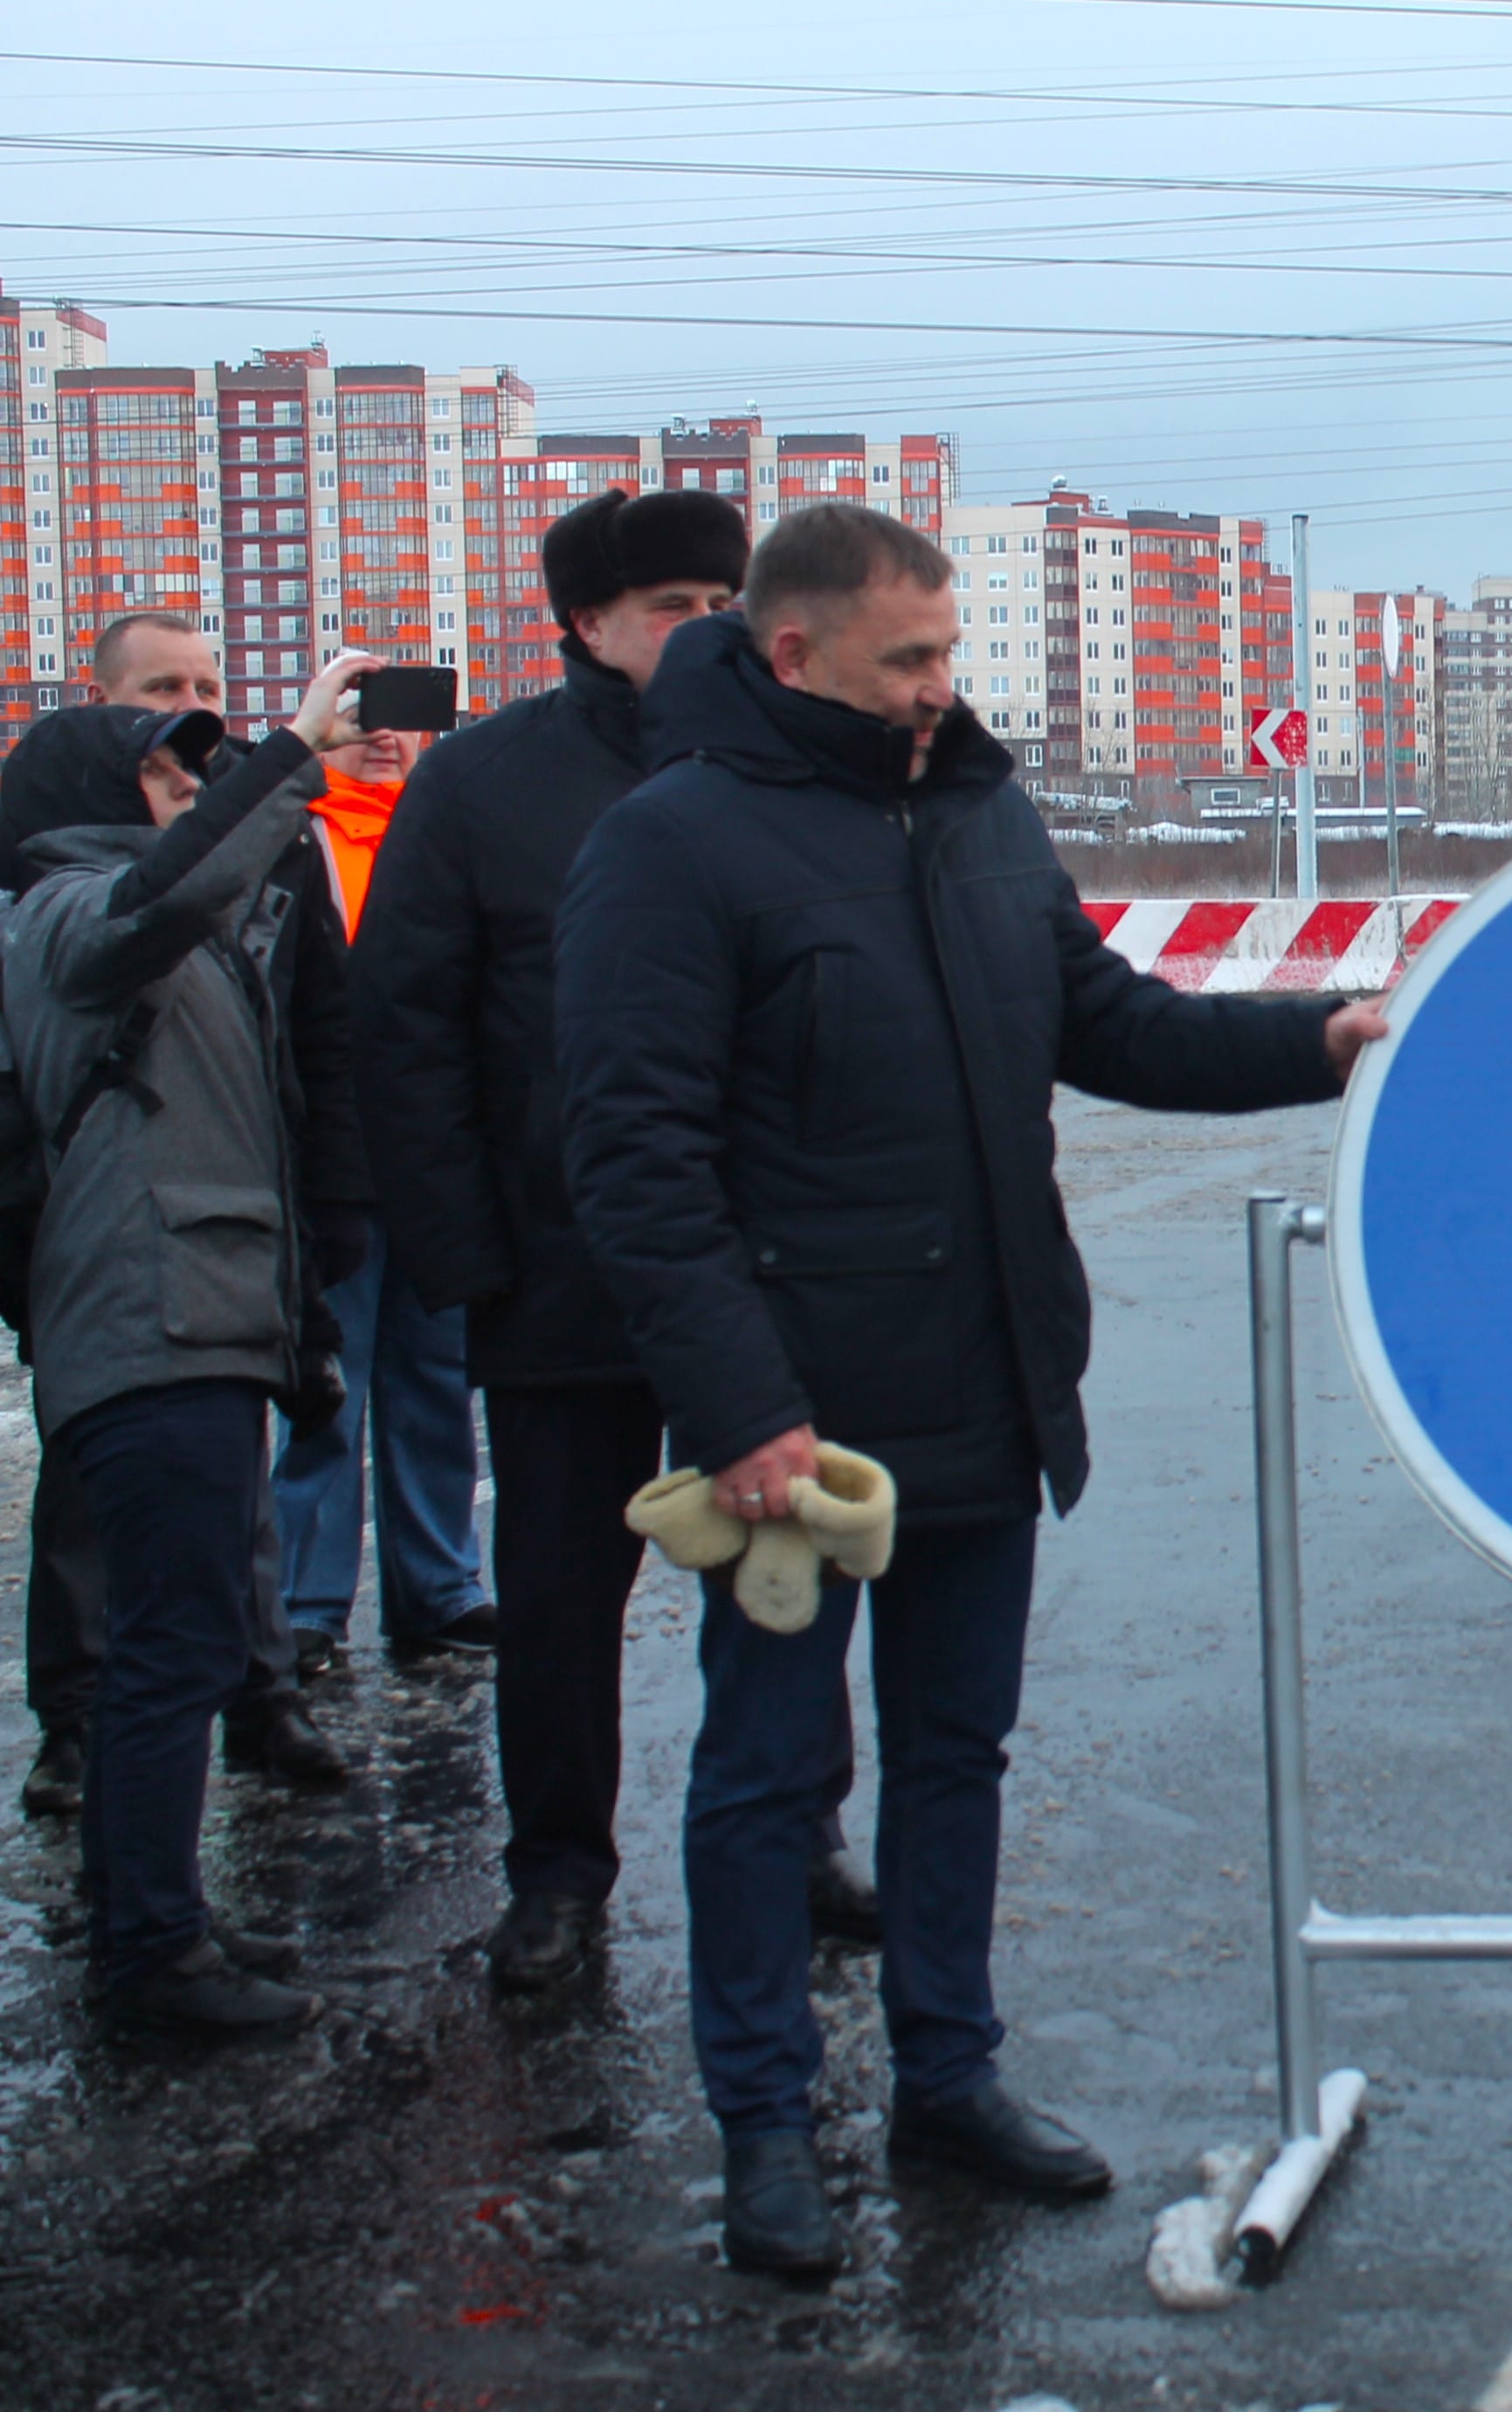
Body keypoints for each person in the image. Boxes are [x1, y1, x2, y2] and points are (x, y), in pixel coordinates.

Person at [553, 502, 1387, 2279]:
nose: (945, 685)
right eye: (911, 657)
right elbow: (635, 1159)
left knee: (955, 1755)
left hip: (990, 1384)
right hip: (800, 1428)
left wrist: (1319, 1039)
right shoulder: (670, 843)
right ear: (792, 653)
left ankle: (949, 2074)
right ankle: (766, 2121)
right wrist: (740, 1407)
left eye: (951, 651)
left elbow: (1114, 1021)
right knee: (765, 1776)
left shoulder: (980, 812)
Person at [352, 487, 881, 1998]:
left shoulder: (794, 759)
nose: (709, 629)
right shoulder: (482, 783)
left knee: (778, 1578)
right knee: (560, 1597)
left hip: (761, 1273)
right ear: (587, 625)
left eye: (725, 602)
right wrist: (466, 1257)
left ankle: (797, 1840)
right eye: (672, 608)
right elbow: (406, 1031)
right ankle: (557, 1878)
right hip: (559, 1269)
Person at [1, 655, 382, 2035]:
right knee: (170, 1647)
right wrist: (290, 758)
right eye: (164, 769)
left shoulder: (165, 920)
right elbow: (166, 897)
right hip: (147, 1321)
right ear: (88, 798)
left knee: (182, 1633)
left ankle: (149, 1912)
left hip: (191, 1317)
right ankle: (152, 1956)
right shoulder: (68, 910)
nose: (187, 790)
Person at [275, 713, 493, 1673]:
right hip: (335, 1164)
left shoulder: (448, 839)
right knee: (327, 1387)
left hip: (437, 1159)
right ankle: (307, 1604)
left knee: (437, 1384)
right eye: (361, 721)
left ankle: (441, 1587)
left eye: (402, 720)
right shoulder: (295, 841)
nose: (384, 740)